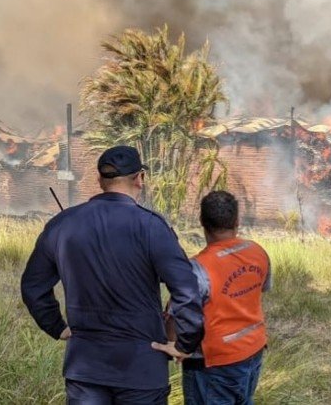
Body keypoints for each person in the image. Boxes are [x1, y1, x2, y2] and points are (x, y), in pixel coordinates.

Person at [21, 145, 204, 404]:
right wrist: (186, 344)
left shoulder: (62, 224)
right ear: (140, 178)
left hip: (85, 369)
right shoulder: (152, 226)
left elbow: (33, 286)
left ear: (99, 180)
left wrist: (57, 327)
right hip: (142, 369)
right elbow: (186, 290)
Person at [155, 190, 271, 405]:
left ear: (201, 221)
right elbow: (258, 288)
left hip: (214, 364)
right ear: (237, 220)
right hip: (253, 351)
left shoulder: (197, 268)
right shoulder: (258, 252)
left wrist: (176, 345)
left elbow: (176, 312)